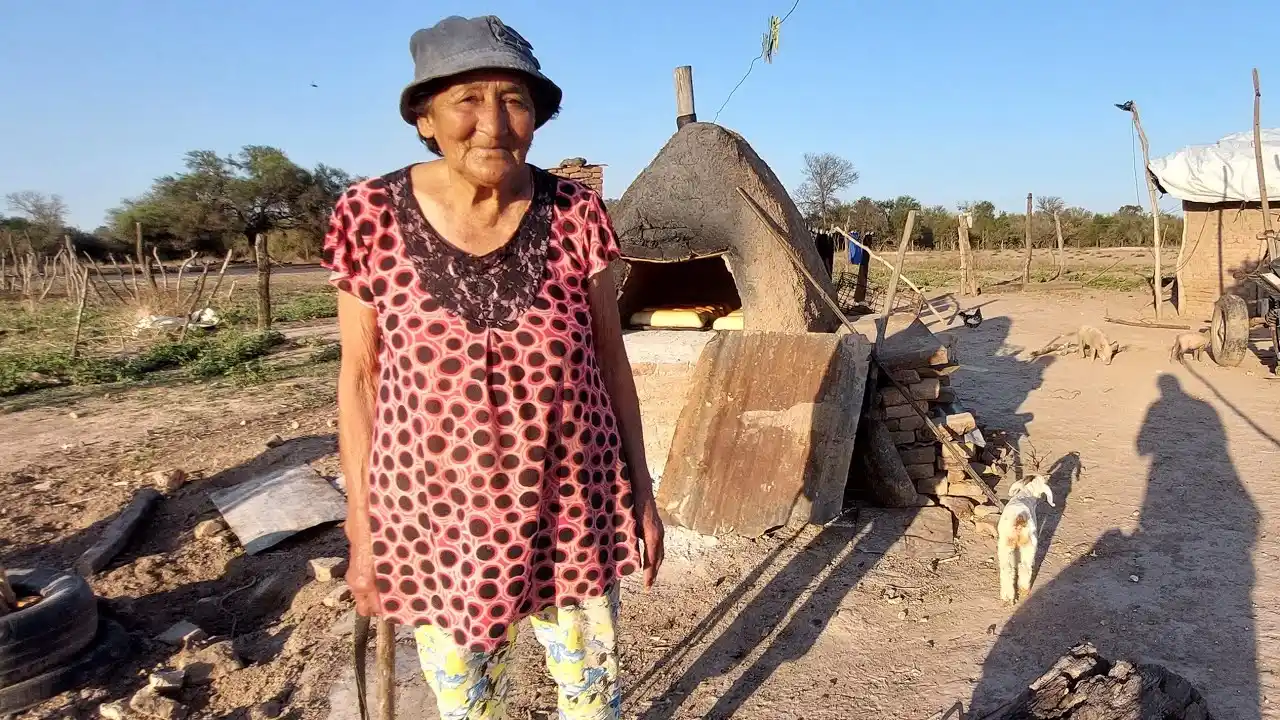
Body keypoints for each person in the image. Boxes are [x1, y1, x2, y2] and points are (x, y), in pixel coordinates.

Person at [323, 15, 664, 719]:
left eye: (514, 100)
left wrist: (642, 489)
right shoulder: (367, 215)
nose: (494, 123)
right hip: (436, 518)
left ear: (537, 114)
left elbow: (610, 356)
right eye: (467, 100)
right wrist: (362, 527)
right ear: (424, 118)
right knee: (468, 705)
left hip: (576, 500)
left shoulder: (575, 212)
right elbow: (359, 382)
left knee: (591, 694)